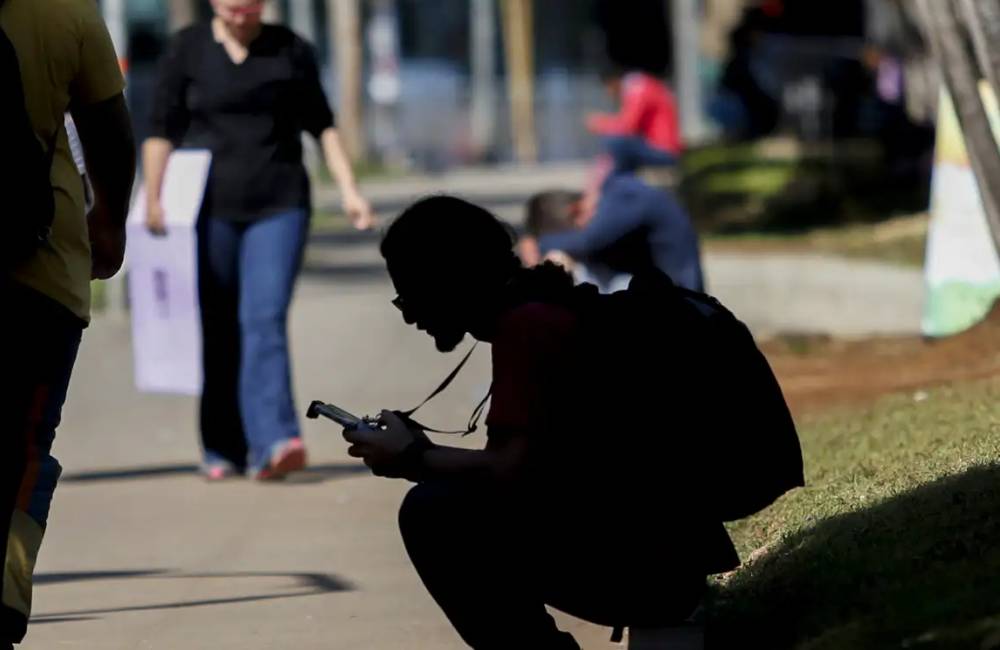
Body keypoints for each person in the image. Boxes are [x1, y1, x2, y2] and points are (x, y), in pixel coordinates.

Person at [341, 196, 803, 649]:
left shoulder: (528, 327)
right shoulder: (554, 307)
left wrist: (415, 457)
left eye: (409, 294)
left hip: (648, 570)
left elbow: (511, 470)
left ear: (448, 280)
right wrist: (423, 454)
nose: (409, 315)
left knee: (434, 514)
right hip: (666, 557)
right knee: (447, 501)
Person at [143, 0, 374, 481]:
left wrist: (350, 191)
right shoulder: (188, 49)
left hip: (279, 203)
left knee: (263, 317)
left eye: (251, 7)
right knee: (220, 326)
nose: (243, 17)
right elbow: (161, 129)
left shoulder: (290, 50)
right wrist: (153, 196)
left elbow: (322, 126)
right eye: (233, 8)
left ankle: (275, 440)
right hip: (207, 210)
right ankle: (223, 446)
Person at [1, 0, 136, 646]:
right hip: (38, 274)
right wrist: (108, 226)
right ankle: (1, 597)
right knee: (23, 451)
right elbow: (111, 132)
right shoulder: (62, 12)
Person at [521, 172, 705, 294]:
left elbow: (588, 241)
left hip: (683, 300)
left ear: (576, 210)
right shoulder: (618, 197)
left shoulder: (623, 197)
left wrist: (539, 244)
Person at [586, 65, 682, 175]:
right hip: (659, 148)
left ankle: (618, 184)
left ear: (613, 82)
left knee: (614, 141)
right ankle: (619, 182)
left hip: (664, 152)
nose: (608, 93)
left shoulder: (638, 88)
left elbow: (628, 126)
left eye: (607, 88)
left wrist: (600, 123)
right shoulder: (641, 85)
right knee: (617, 147)